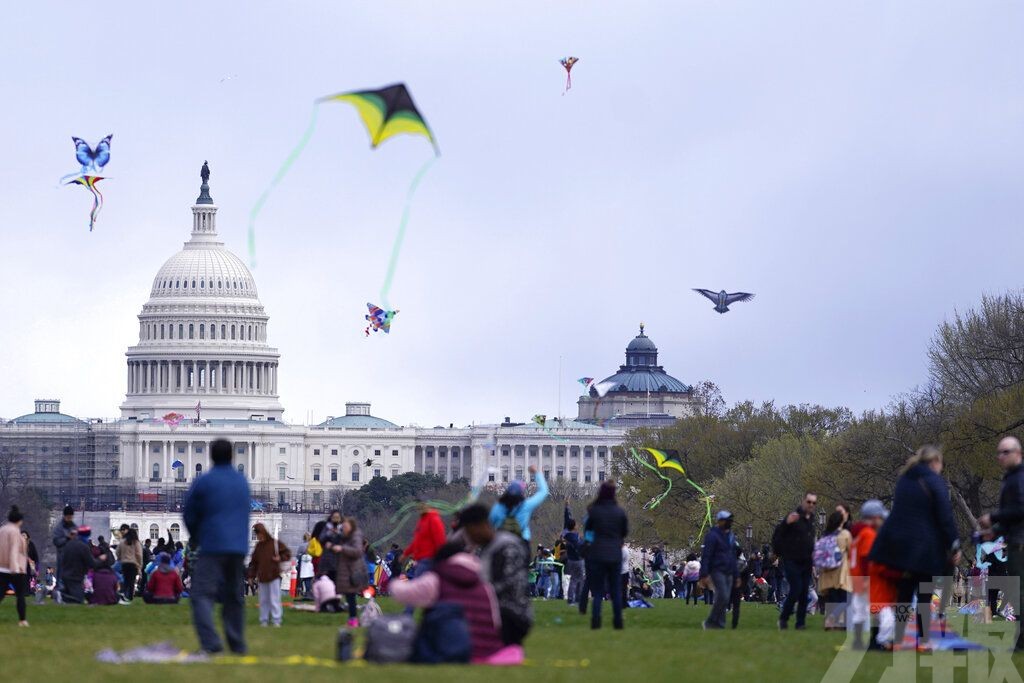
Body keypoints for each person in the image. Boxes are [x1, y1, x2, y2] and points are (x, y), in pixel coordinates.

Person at [870, 445, 960, 650]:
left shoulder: (904, 480)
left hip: (902, 548)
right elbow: (945, 516)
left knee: (904, 594)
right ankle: (924, 640)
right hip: (925, 548)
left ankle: (898, 639)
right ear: (935, 462)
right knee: (924, 597)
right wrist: (953, 544)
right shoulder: (934, 481)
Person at [183, 438, 250, 655]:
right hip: (237, 547)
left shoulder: (204, 481)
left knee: (202, 595)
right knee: (234, 597)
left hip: (212, 545)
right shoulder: (241, 482)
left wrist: (196, 537)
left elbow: (189, 514)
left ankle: (211, 643)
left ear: (211, 456)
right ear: (232, 455)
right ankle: (237, 644)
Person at [390, 540, 504, 663]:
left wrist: (394, 579)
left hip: (450, 648)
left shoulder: (437, 579)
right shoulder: (486, 586)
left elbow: (403, 593)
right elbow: (496, 621)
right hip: (488, 650)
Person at [460, 503, 532, 649]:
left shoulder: (507, 546)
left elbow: (511, 583)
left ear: (482, 525)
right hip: (492, 609)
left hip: (511, 614)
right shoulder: (486, 549)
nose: (470, 538)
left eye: (470, 532)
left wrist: (478, 594)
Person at [979, 435, 1024, 651]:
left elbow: (1020, 510)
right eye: (999, 453)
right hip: (1014, 539)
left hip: (1020, 542)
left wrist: (993, 518)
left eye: (1005, 452)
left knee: (1020, 592)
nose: (1000, 457)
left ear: (1018, 453)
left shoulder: (1019, 478)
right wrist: (994, 531)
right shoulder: (1010, 478)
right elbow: (1012, 517)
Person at [584, 480, 628, 630]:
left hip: (598, 553)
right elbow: (625, 531)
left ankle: (596, 621)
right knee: (616, 590)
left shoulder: (595, 511)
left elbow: (588, 528)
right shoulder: (619, 511)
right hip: (615, 553)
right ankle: (618, 622)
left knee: (597, 591)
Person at [773, 492, 818, 630]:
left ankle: (800, 623)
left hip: (806, 562)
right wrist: (786, 524)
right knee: (796, 589)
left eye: (813, 503)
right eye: (808, 502)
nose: (811, 505)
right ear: (803, 501)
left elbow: (810, 541)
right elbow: (778, 535)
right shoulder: (793, 517)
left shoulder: (811, 520)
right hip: (792, 560)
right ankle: (784, 618)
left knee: (804, 592)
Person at [699, 510, 739, 629]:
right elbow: (707, 555)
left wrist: (736, 575)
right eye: (728, 521)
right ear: (720, 521)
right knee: (723, 596)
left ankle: (719, 623)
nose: (730, 523)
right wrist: (704, 574)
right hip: (717, 570)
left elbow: (733, 556)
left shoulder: (731, 536)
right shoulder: (712, 535)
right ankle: (710, 621)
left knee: (724, 598)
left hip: (729, 570)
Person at [489, 465, 549, 543]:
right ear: (521, 493)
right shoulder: (526, 505)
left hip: (501, 541)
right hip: (521, 541)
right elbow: (543, 491)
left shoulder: (498, 507)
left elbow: (489, 524)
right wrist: (537, 473)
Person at [327, 516, 368, 628]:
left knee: (351, 596)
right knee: (349, 596)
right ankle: (352, 619)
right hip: (347, 570)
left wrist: (342, 549)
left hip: (353, 570)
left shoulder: (355, 536)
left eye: (345, 526)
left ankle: (353, 620)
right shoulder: (347, 536)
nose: (343, 528)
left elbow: (357, 551)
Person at [248, 523, 291, 627]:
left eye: (259, 534)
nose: (259, 536)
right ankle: (264, 620)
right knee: (263, 600)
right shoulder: (258, 547)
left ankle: (276, 620)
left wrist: (280, 558)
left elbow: (287, 553)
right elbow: (254, 563)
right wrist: (251, 576)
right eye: (257, 534)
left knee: (274, 599)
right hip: (262, 577)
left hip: (274, 576)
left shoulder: (274, 543)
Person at [818, 510, 853, 630]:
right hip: (840, 571)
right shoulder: (844, 534)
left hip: (827, 572)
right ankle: (833, 619)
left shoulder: (826, 534)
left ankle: (833, 625)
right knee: (846, 600)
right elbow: (851, 551)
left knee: (833, 600)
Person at [402, 501, 447, 582]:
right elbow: (416, 541)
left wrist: (440, 557)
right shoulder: (422, 521)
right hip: (420, 559)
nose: (420, 509)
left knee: (419, 584)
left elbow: (439, 539)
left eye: (422, 507)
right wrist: (405, 554)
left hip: (429, 559)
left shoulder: (433, 519)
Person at [0, 506, 31, 626]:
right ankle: (22, 620)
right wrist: (15, 568)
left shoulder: (2, 530)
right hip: (13, 568)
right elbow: (14, 550)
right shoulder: (14, 532)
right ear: (19, 521)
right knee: (20, 595)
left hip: (1, 568)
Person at [60, 526, 105, 604]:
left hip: (65, 576)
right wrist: (100, 559)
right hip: (76, 578)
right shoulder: (84, 547)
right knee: (77, 600)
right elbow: (92, 563)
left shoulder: (68, 545)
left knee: (67, 599)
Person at [51, 505, 76, 596]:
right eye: (68, 517)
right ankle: (60, 593)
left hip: (72, 557)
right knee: (61, 576)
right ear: (64, 516)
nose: (70, 519)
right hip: (62, 556)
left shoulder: (74, 527)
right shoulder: (59, 528)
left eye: (71, 517)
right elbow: (56, 541)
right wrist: (67, 538)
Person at [116, 528, 143, 602]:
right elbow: (139, 555)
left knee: (126, 579)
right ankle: (130, 597)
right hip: (133, 564)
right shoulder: (136, 543)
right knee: (132, 581)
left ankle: (123, 593)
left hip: (124, 563)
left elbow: (117, 551)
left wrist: (120, 558)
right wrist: (140, 565)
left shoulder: (122, 542)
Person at [563, 516, 584, 605]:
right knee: (578, 580)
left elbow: (567, 517)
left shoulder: (566, 536)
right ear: (574, 526)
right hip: (577, 560)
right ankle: (575, 598)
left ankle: (573, 598)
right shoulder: (574, 537)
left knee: (574, 579)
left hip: (571, 560)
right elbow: (580, 547)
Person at [317, 510, 343, 581]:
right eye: (334, 517)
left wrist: (339, 533)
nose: (336, 520)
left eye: (337, 517)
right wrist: (329, 533)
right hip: (327, 559)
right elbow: (321, 539)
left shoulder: (343, 528)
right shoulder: (327, 527)